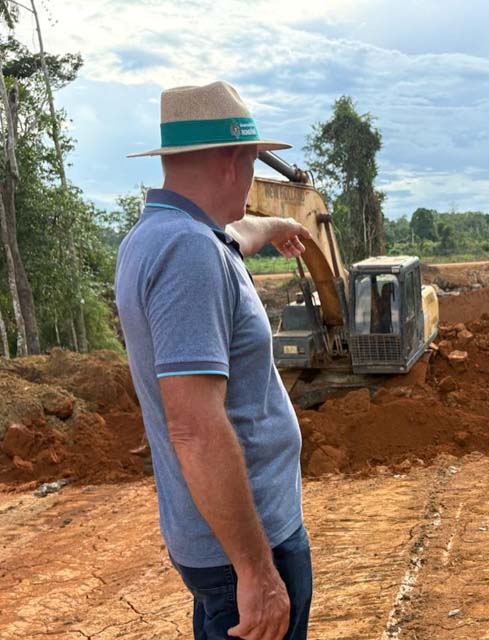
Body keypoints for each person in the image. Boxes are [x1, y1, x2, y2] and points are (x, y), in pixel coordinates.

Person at [116, 81, 314, 640]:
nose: (253, 182)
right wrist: (256, 572)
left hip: (219, 546)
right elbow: (196, 427)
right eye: (252, 164)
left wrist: (279, 226)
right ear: (233, 161)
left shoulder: (158, 235)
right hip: (246, 551)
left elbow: (237, 234)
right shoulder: (190, 254)